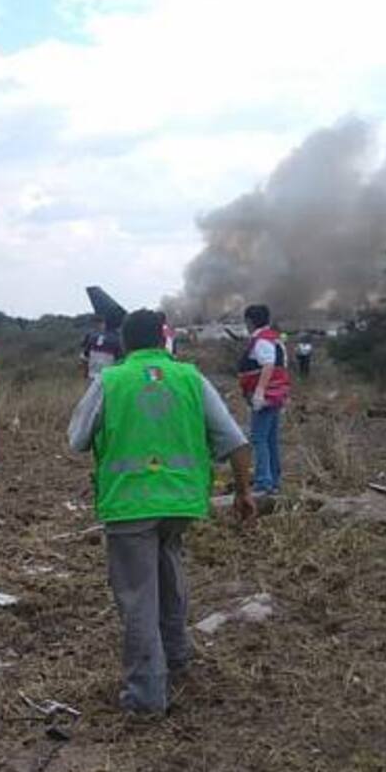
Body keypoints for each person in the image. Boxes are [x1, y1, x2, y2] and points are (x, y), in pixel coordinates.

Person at [68, 308, 255, 714]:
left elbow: (77, 439)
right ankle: (177, 660)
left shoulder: (110, 381)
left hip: (129, 506)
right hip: (182, 504)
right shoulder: (191, 378)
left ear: (125, 342)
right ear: (162, 338)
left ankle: (146, 697)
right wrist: (244, 493)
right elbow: (235, 442)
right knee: (170, 579)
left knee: (138, 599)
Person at [238, 304, 291, 494]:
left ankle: (263, 482)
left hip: (266, 396)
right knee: (270, 439)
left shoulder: (261, 341)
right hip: (276, 394)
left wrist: (259, 392)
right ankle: (274, 480)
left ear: (250, 321)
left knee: (259, 438)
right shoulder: (274, 339)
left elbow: (268, 365)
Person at [79, 313, 124, 380]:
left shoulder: (92, 336)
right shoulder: (118, 339)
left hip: (92, 377)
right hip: (108, 379)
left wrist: (86, 373)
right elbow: (121, 362)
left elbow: (84, 358)